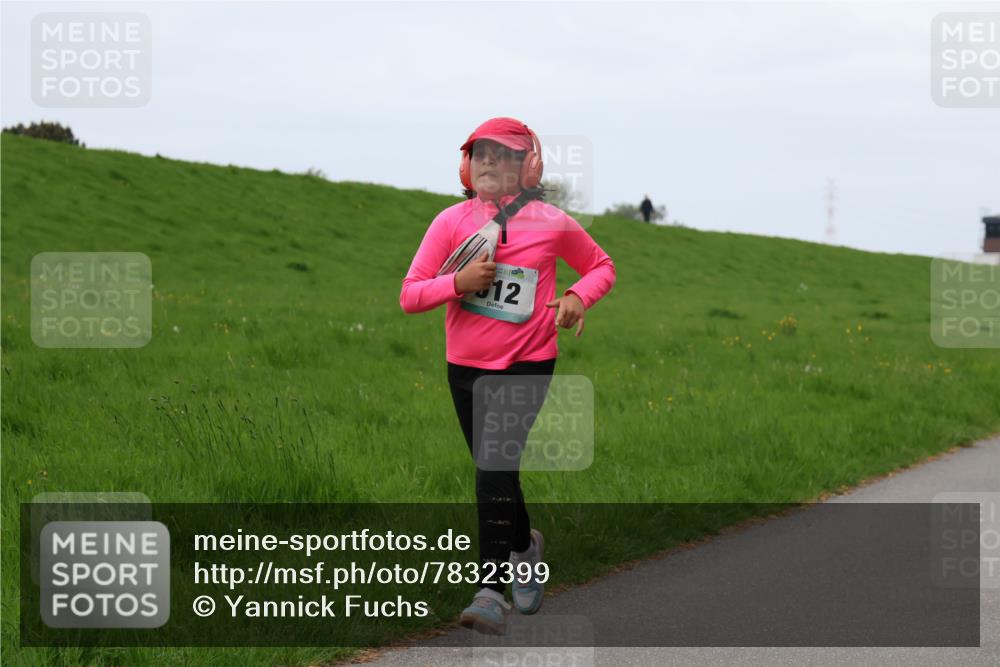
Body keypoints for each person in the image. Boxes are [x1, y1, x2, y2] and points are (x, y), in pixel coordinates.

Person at [399, 117, 616, 635]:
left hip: (529, 362)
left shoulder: (551, 222)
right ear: (466, 165)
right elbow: (410, 295)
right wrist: (457, 282)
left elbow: (602, 266)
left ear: (530, 166)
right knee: (495, 470)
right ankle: (525, 546)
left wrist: (575, 297)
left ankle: (491, 591)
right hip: (465, 368)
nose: (493, 162)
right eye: (483, 154)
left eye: (507, 154)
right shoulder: (449, 222)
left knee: (493, 465)